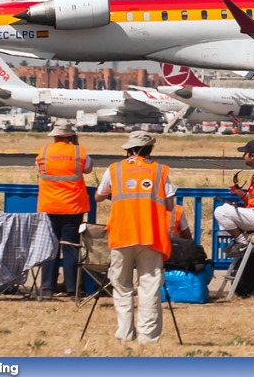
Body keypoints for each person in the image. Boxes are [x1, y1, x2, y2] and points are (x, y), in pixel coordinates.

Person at [95, 131, 175, 343]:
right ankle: (148, 337)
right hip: (151, 235)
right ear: (150, 149)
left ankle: (125, 334)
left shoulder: (115, 169)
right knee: (149, 287)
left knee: (122, 286)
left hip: (121, 234)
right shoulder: (160, 171)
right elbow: (169, 204)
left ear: (128, 149)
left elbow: (98, 195)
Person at [36, 118, 93, 298]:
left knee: (50, 247)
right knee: (71, 247)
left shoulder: (44, 151)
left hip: (49, 205)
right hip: (73, 206)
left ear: (54, 136)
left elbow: (39, 168)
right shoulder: (79, 151)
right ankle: (72, 288)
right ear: (71, 135)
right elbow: (88, 169)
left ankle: (47, 287)